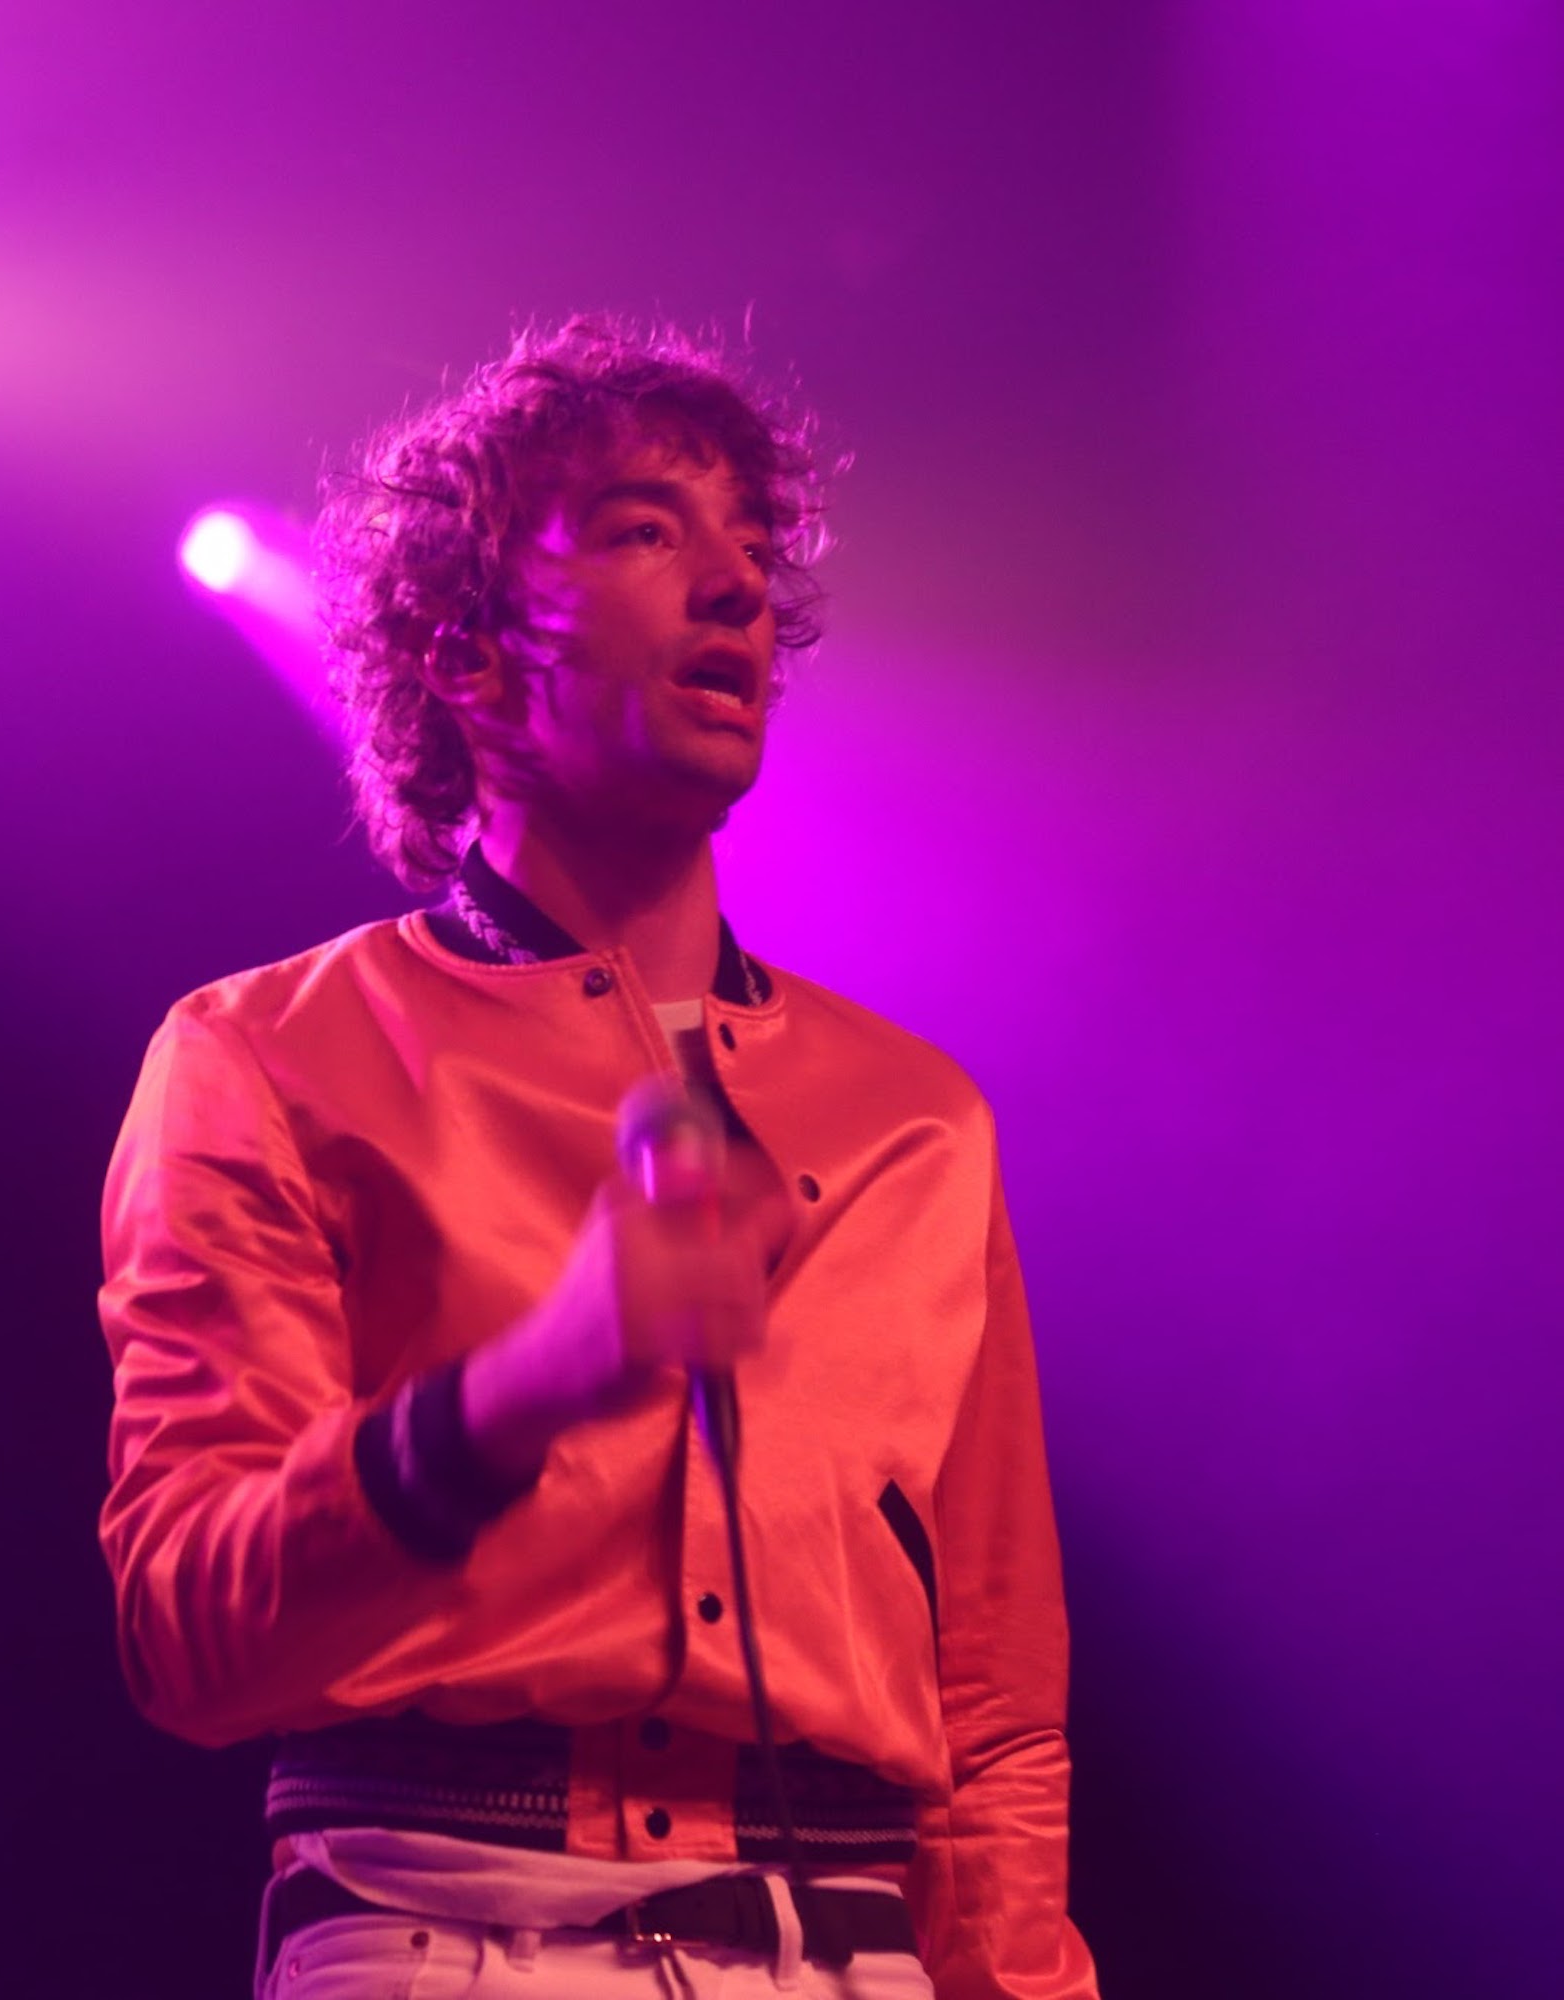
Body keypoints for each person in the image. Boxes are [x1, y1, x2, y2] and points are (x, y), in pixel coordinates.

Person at [97, 319, 1097, 1999]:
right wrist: (537, 1378)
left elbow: (992, 1710)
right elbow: (190, 1634)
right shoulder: (264, 1056)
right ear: (465, 655)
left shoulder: (918, 1118)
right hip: (443, 1925)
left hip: (845, 1950)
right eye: (648, 530)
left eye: (755, 549)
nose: (739, 588)